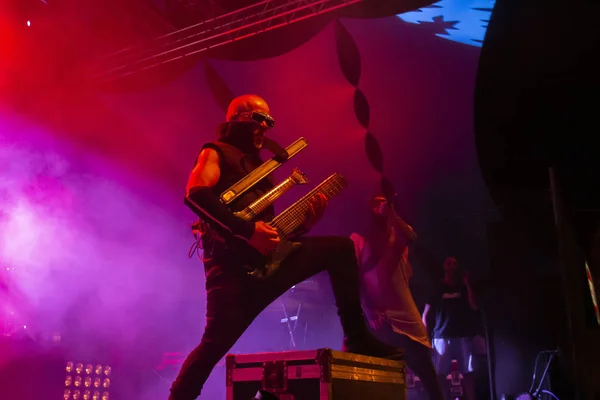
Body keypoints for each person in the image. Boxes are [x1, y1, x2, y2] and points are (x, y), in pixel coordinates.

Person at [170, 94, 402, 400]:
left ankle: (356, 336)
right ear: (239, 118)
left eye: (271, 122)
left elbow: (269, 234)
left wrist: (305, 225)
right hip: (232, 278)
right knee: (211, 348)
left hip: (269, 264)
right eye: (261, 119)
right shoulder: (215, 152)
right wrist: (248, 231)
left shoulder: (261, 167)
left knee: (341, 248)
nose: (267, 127)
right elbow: (195, 194)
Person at [350, 195, 444, 400]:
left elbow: (411, 237)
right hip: (379, 320)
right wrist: (367, 307)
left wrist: (392, 214)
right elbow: (355, 276)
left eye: (384, 201)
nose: (381, 205)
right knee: (383, 378)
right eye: (376, 202)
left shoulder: (396, 233)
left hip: (405, 316)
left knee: (427, 374)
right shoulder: (359, 240)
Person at [422, 256, 481, 400]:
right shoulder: (437, 287)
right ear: (444, 267)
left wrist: (467, 284)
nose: (453, 266)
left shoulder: (462, 287)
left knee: (468, 374)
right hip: (442, 337)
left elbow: (474, 306)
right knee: (440, 375)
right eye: (449, 263)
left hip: (462, 336)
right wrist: (425, 339)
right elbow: (425, 315)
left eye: (455, 263)